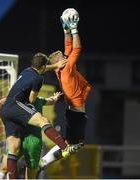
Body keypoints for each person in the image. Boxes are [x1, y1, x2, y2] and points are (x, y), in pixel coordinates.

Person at [0, 53, 82, 179]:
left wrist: (55, 65)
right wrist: (45, 99)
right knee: (43, 120)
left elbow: (42, 69)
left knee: (13, 149)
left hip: (5, 111)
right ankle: (64, 148)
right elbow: (32, 100)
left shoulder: (26, 70)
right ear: (42, 67)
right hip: (19, 111)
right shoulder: (38, 79)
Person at [38, 12, 91, 169]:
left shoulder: (62, 67)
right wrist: (74, 29)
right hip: (76, 114)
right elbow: (77, 48)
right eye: (62, 56)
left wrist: (65, 31)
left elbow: (68, 47)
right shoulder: (67, 67)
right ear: (60, 62)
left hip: (75, 113)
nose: (65, 55)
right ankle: (44, 162)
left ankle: (44, 162)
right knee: (74, 144)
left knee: (71, 143)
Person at [0, 92, 63, 179]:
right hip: (17, 139)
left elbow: (51, 101)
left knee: (30, 175)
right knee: (4, 168)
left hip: (33, 140)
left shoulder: (39, 100)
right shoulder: (16, 100)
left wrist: (55, 97)